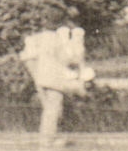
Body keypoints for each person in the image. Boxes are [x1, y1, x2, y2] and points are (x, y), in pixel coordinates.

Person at [18, 10, 95, 144]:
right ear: (60, 24)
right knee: (53, 107)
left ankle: (46, 136)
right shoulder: (58, 40)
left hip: (41, 75)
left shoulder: (40, 38)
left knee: (49, 106)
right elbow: (67, 58)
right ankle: (47, 138)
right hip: (54, 78)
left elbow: (27, 55)